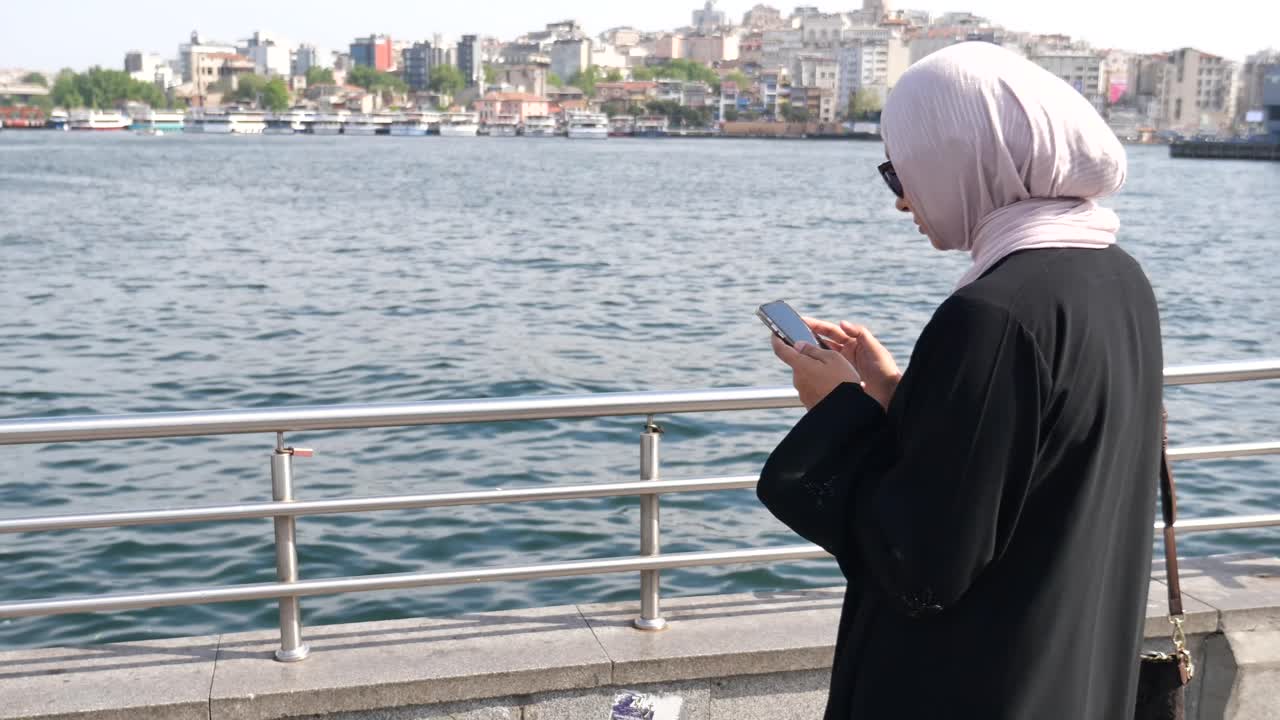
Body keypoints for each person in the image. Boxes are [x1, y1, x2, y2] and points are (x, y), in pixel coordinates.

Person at [757, 42, 1162, 719]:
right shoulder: (1115, 277)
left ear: (963, 156)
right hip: (1064, 671)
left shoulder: (993, 315)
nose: (902, 201)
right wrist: (895, 395)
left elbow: (922, 565)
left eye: (901, 172)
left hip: (972, 684)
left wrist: (837, 411)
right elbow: (1026, 469)